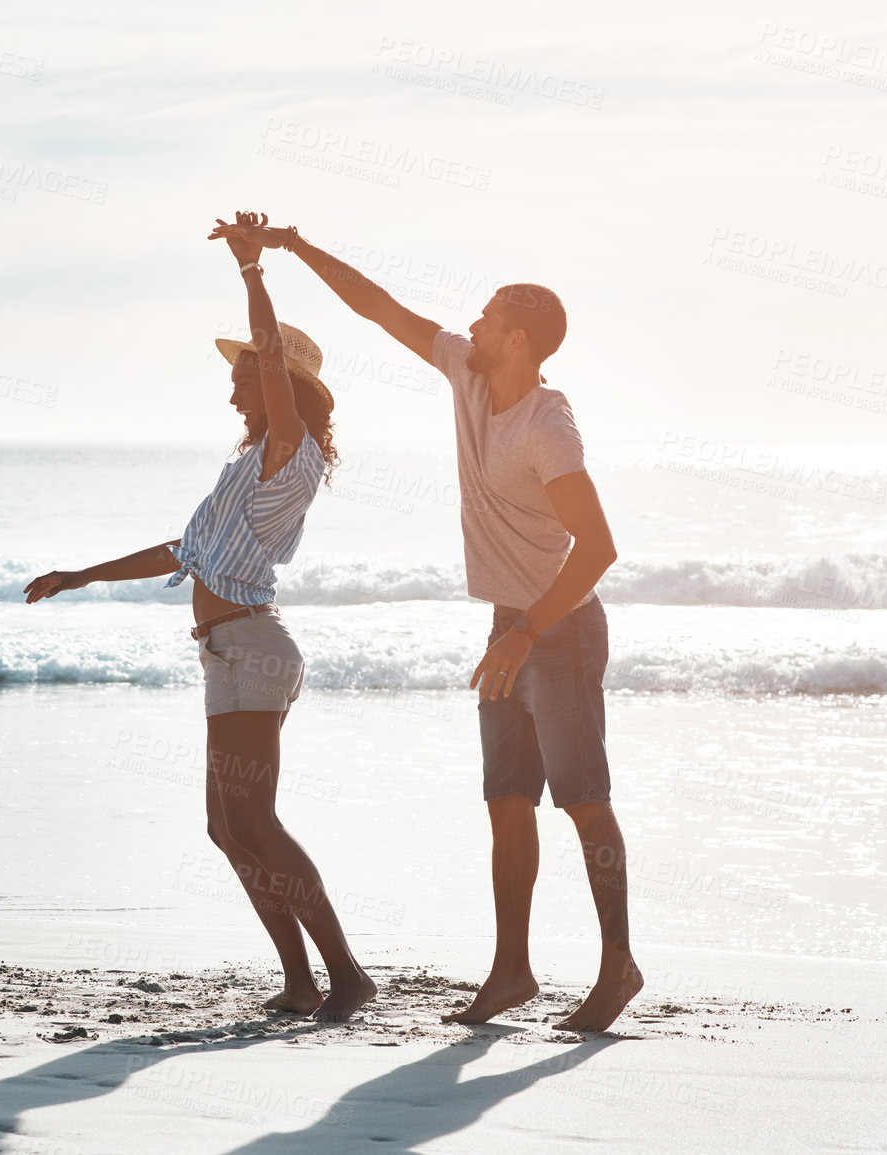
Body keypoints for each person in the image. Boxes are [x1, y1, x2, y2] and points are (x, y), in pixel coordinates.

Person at [209, 215, 639, 1032]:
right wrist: (293, 250)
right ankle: (511, 971)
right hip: (509, 626)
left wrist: (526, 632)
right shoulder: (467, 377)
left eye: (484, 318)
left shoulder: (548, 424)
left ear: (516, 339)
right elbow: (378, 307)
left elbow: (599, 547)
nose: (467, 325)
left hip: (561, 628)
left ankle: (618, 965)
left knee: (583, 800)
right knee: (506, 799)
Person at [23, 212, 377, 1023]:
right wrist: (81, 574)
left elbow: (276, 368)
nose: (232, 386)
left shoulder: (293, 449)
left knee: (252, 817)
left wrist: (253, 272)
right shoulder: (243, 467)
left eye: (246, 375)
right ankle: (300, 978)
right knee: (227, 826)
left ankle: (345, 973)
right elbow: (176, 550)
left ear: (282, 383)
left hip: (253, 647)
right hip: (226, 651)